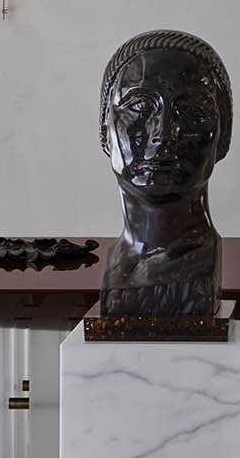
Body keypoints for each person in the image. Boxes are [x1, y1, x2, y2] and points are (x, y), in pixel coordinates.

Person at [98, 29, 232, 319]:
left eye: (193, 111)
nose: (163, 134)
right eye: (140, 106)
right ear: (105, 131)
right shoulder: (119, 266)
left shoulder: (198, 269)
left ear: (223, 137)